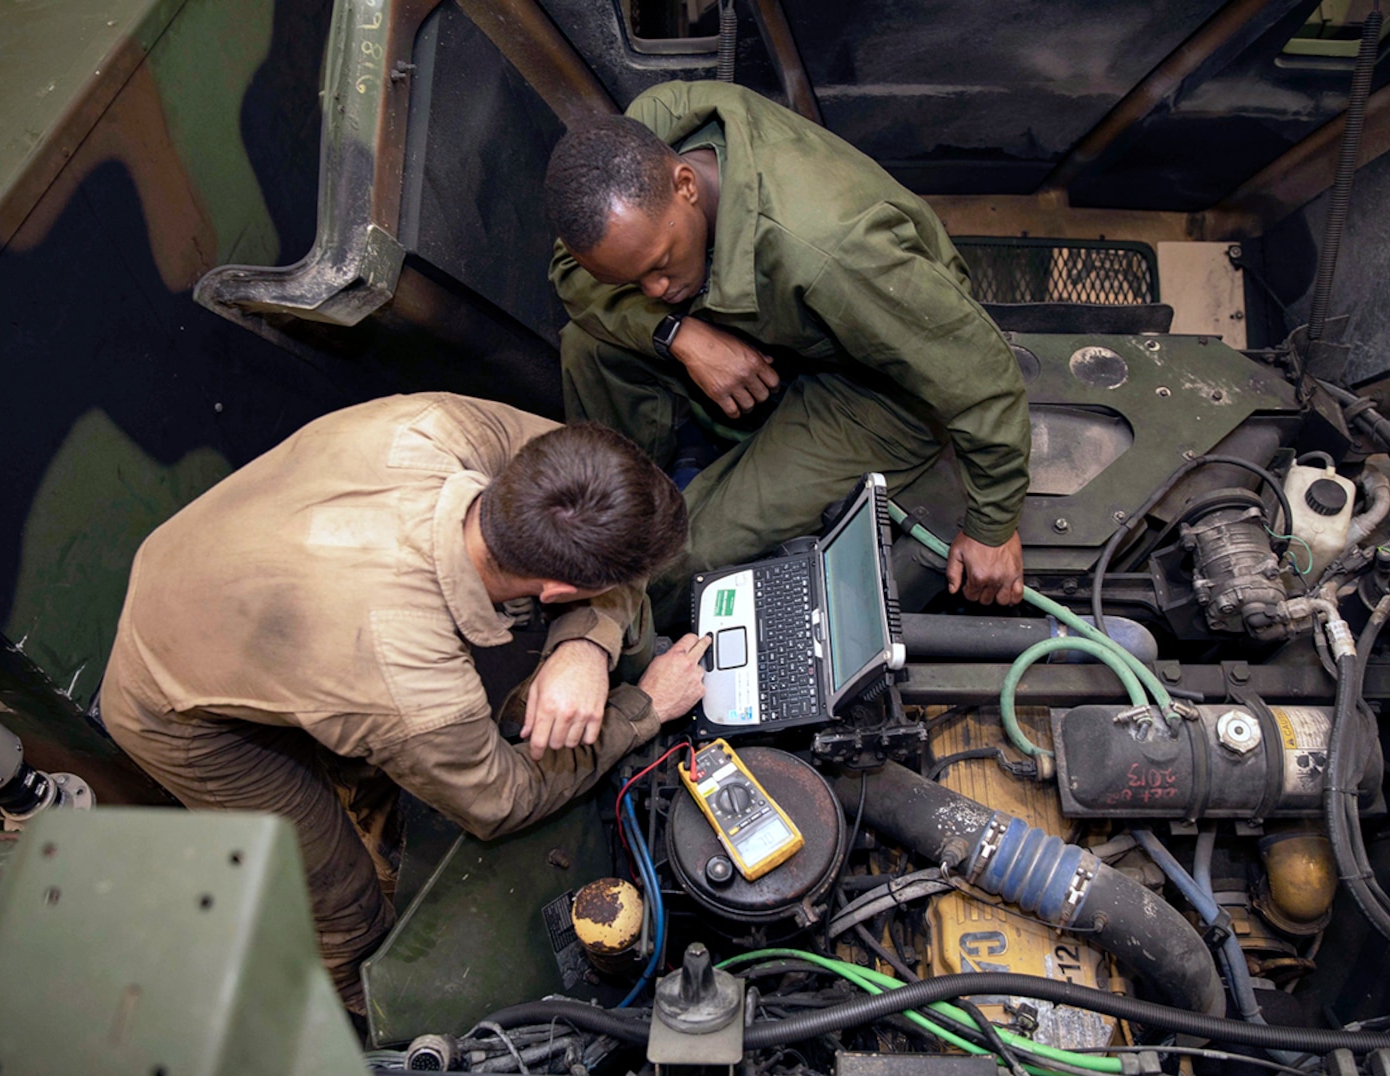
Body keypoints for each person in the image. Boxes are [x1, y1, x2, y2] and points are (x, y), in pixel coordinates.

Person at [99, 393, 709, 1013]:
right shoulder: (407, 678)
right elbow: (502, 800)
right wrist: (644, 709)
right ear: (558, 590)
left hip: (219, 574)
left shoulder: (441, 426)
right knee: (337, 892)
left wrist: (585, 644)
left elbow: (606, 495)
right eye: (595, 594)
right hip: (176, 704)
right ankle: (351, 1009)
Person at [544, 79, 1031, 626]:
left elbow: (981, 376)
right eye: (636, 278)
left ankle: (618, 616)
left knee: (685, 560)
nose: (654, 291)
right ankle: (604, 518)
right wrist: (679, 333)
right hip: (788, 333)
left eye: (660, 266)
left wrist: (993, 526)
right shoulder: (643, 147)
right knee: (588, 344)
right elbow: (570, 274)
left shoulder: (836, 253)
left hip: (875, 391)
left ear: (686, 183)